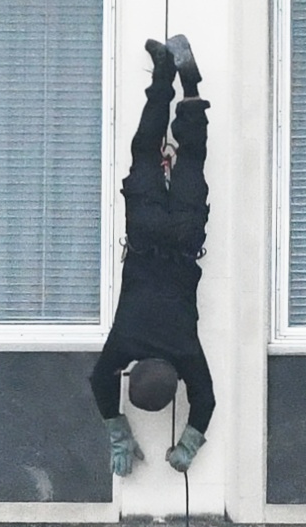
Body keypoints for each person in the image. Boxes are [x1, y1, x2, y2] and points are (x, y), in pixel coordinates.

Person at [90, 35, 214, 480]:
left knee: (193, 160)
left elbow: (206, 403)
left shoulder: (186, 353)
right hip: (144, 234)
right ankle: (162, 74)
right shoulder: (125, 343)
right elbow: (98, 382)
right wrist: (116, 429)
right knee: (145, 149)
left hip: (182, 238)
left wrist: (188, 445)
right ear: (135, 370)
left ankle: (192, 93)